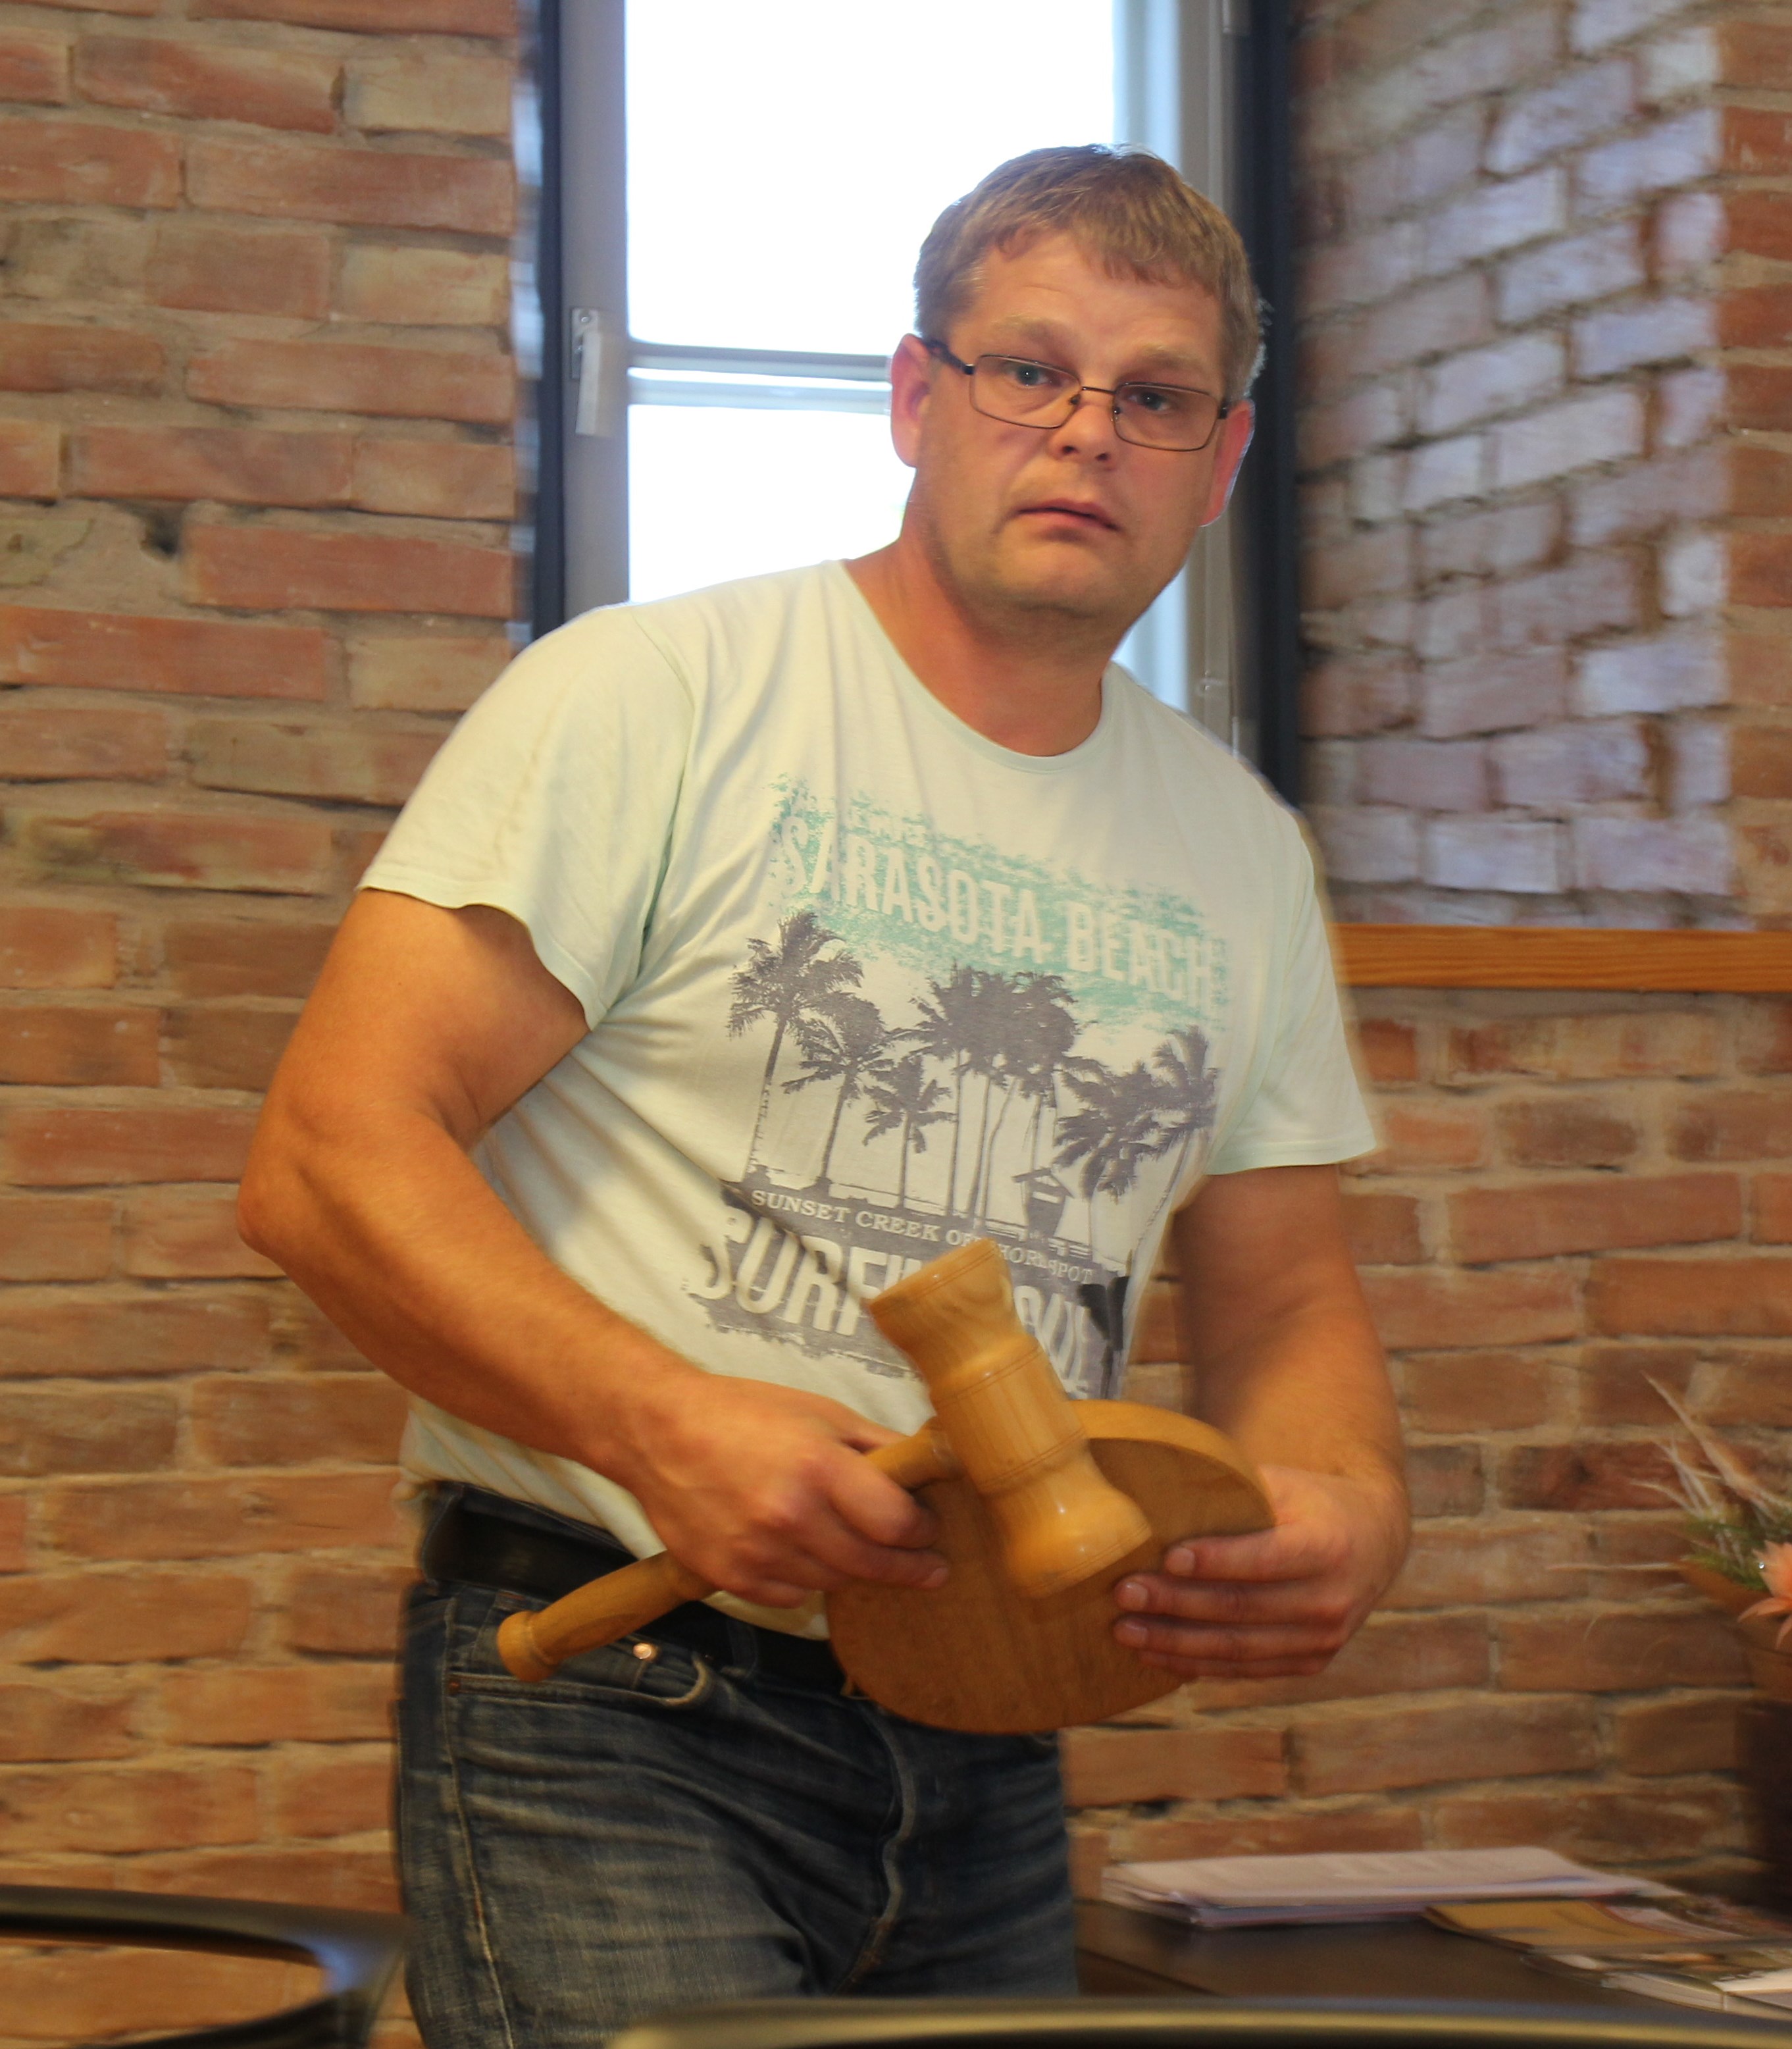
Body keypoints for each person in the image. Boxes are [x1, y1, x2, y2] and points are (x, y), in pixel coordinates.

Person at [239, 145, 1408, 2046]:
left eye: (1155, 396)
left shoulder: (1238, 849)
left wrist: (1349, 1503)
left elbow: (1285, 1303)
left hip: (993, 1709)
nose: (1085, 432)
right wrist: (663, 1422)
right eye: (1027, 369)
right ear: (914, 397)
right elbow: (325, 1159)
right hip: (615, 1701)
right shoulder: (654, 696)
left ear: (1222, 458)